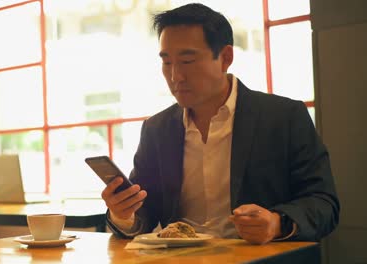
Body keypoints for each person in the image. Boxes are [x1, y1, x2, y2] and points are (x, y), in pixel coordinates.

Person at [101, 3, 339, 244]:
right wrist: (124, 214)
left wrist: (277, 223)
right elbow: (145, 212)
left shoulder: (283, 117)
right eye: (167, 62)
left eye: (187, 61)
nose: (175, 77)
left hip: (257, 258)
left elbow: (323, 203)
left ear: (226, 57)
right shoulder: (157, 129)